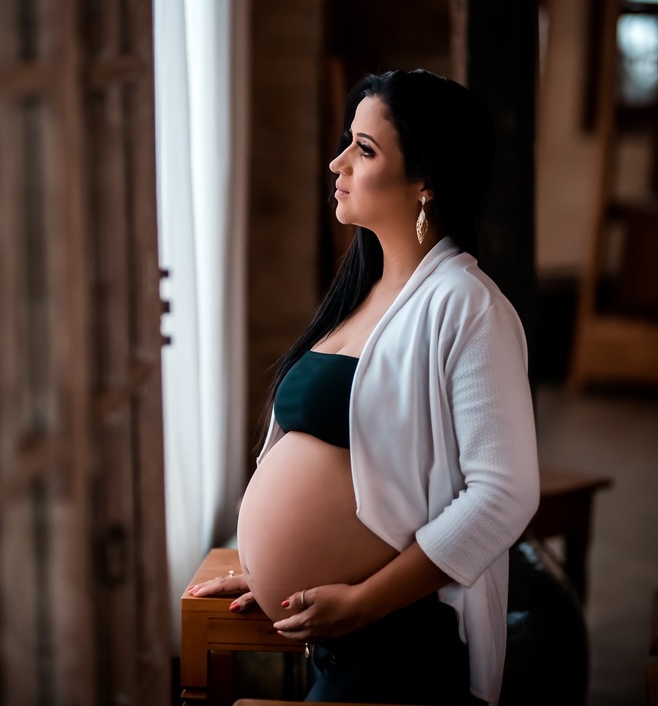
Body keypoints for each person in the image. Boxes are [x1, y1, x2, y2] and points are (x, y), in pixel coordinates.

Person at [186, 69, 539, 705]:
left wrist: (362, 599)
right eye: (349, 140)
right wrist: (267, 569)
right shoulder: (366, 291)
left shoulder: (467, 306)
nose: (337, 161)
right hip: (341, 634)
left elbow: (504, 495)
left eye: (365, 149)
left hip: (401, 640)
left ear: (426, 181)